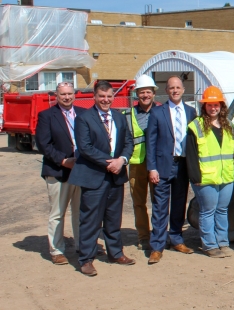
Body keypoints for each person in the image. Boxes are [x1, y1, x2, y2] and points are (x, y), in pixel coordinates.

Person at [68, 81, 135, 276]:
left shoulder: (119, 117)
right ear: (95, 97)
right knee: (90, 219)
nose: (106, 100)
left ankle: (115, 253)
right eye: (102, 96)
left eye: (109, 96)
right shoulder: (84, 118)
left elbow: (129, 142)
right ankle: (86, 259)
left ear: (113, 97)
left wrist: (121, 160)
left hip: (116, 176)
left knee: (113, 218)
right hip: (94, 176)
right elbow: (85, 147)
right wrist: (109, 163)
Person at [145, 76, 197, 264]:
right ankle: (157, 246)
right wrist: (152, 168)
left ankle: (176, 238)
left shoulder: (191, 112)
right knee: (160, 207)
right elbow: (150, 143)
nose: (175, 90)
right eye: (171, 88)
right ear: (166, 91)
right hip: (162, 166)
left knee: (179, 204)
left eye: (178, 87)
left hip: (183, 165)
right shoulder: (157, 113)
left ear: (183, 89)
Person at [35, 81, 85, 265]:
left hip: (81, 171)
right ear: (57, 96)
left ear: (75, 94)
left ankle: (83, 246)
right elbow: (43, 144)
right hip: (58, 171)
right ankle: (56, 250)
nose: (67, 97)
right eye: (63, 94)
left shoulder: (83, 113)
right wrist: (64, 161)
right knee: (57, 213)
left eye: (70, 93)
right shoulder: (47, 115)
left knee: (81, 212)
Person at [186, 86, 234, 258]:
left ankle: (223, 243)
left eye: (216, 105)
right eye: (209, 105)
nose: (213, 108)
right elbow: (191, 155)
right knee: (208, 211)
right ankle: (209, 245)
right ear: (204, 106)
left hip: (226, 176)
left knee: (222, 210)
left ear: (221, 106)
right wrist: (195, 177)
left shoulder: (228, 125)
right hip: (205, 178)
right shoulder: (196, 126)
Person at [123, 75, 159, 250]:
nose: (145, 95)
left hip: (157, 165)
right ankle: (144, 236)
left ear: (153, 93)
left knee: (158, 201)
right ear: (137, 94)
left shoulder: (162, 111)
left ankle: (159, 235)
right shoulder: (127, 115)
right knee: (139, 202)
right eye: (142, 92)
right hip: (136, 163)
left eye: (148, 92)